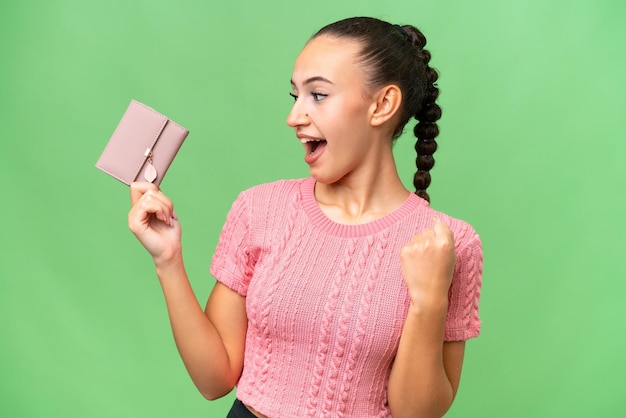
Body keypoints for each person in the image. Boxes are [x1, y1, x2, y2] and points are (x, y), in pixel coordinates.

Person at [128, 16, 482, 418]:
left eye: (318, 95)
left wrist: (429, 302)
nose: (294, 116)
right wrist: (167, 261)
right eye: (295, 95)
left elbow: (417, 414)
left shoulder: (448, 242)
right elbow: (214, 381)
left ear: (382, 105)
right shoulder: (260, 209)